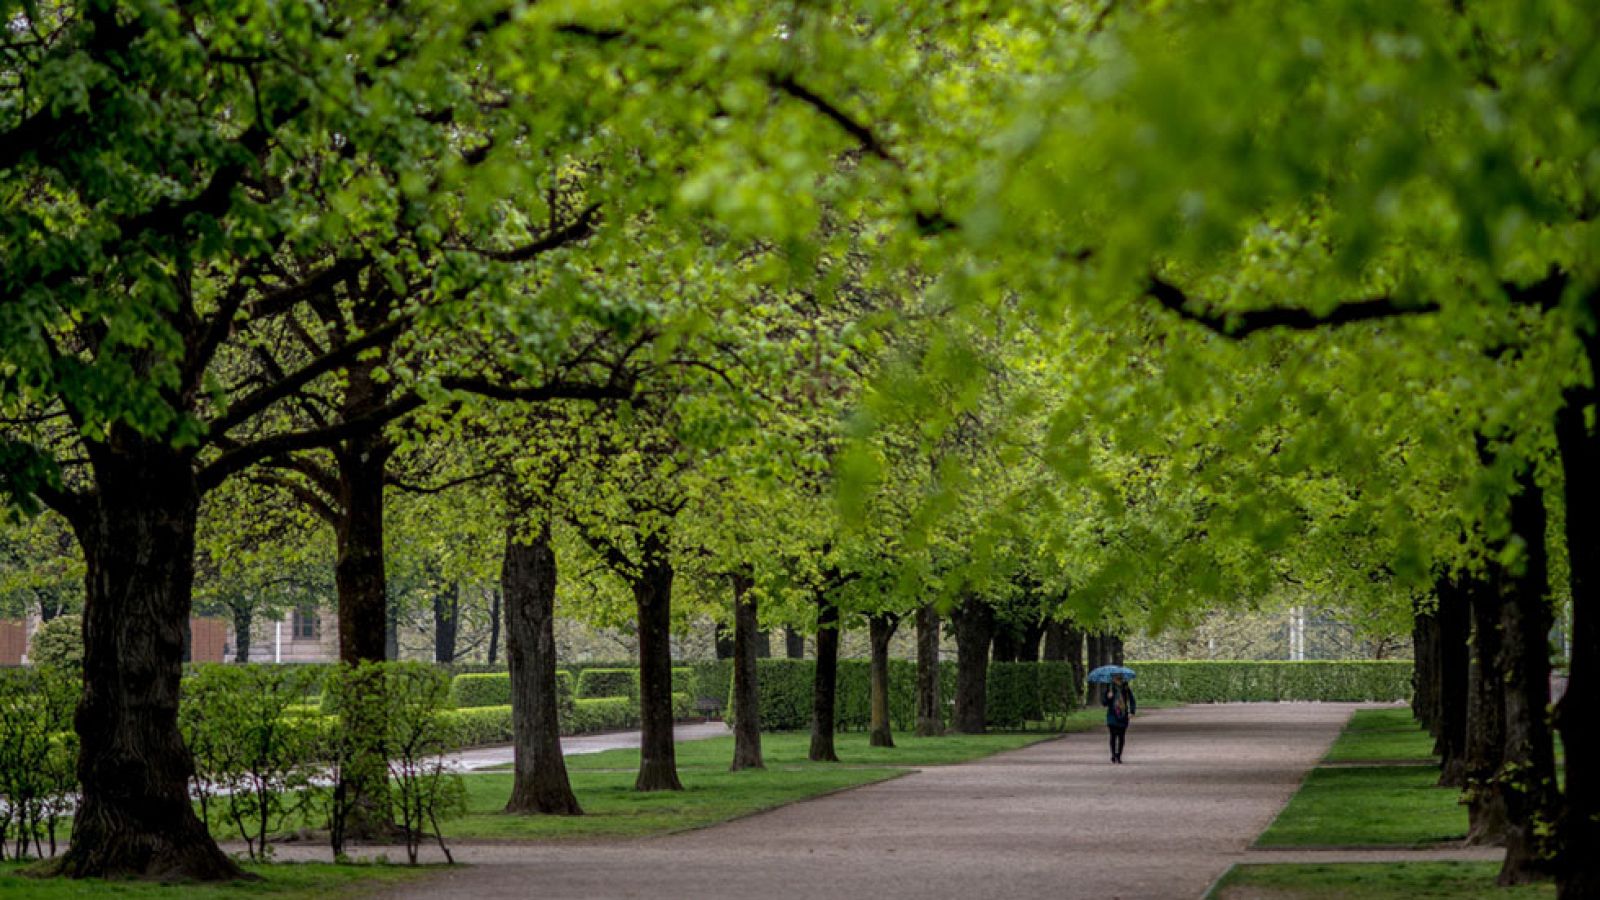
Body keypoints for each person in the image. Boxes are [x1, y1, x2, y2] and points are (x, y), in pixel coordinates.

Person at [1101, 673, 1136, 763]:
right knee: (1113, 736)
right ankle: (1113, 754)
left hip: (1123, 715)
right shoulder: (1110, 688)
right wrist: (1108, 697)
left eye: (1118, 677)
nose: (1117, 679)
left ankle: (1119, 755)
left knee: (1121, 736)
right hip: (1112, 715)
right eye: (1115, 677)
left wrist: (1132, 711)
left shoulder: (1126, 688)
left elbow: (1132, 700)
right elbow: (1104, 703)